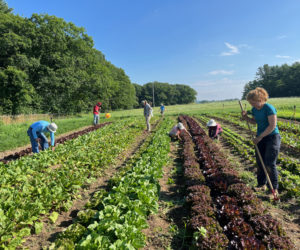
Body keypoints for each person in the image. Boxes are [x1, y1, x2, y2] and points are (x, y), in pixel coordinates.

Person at [241, 87, 280, 196]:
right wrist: (245, 117)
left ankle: (273, 189)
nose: (252, 105)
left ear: (260, 99)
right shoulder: (254, 109)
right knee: (260, 162)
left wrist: (260, 137)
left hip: (272, 137)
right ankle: (261, 185)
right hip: (260, 137)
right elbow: (254, 122)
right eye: (250, 103)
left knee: (269, 163)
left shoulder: (269, 108)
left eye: (253, 102)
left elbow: (272, 126)